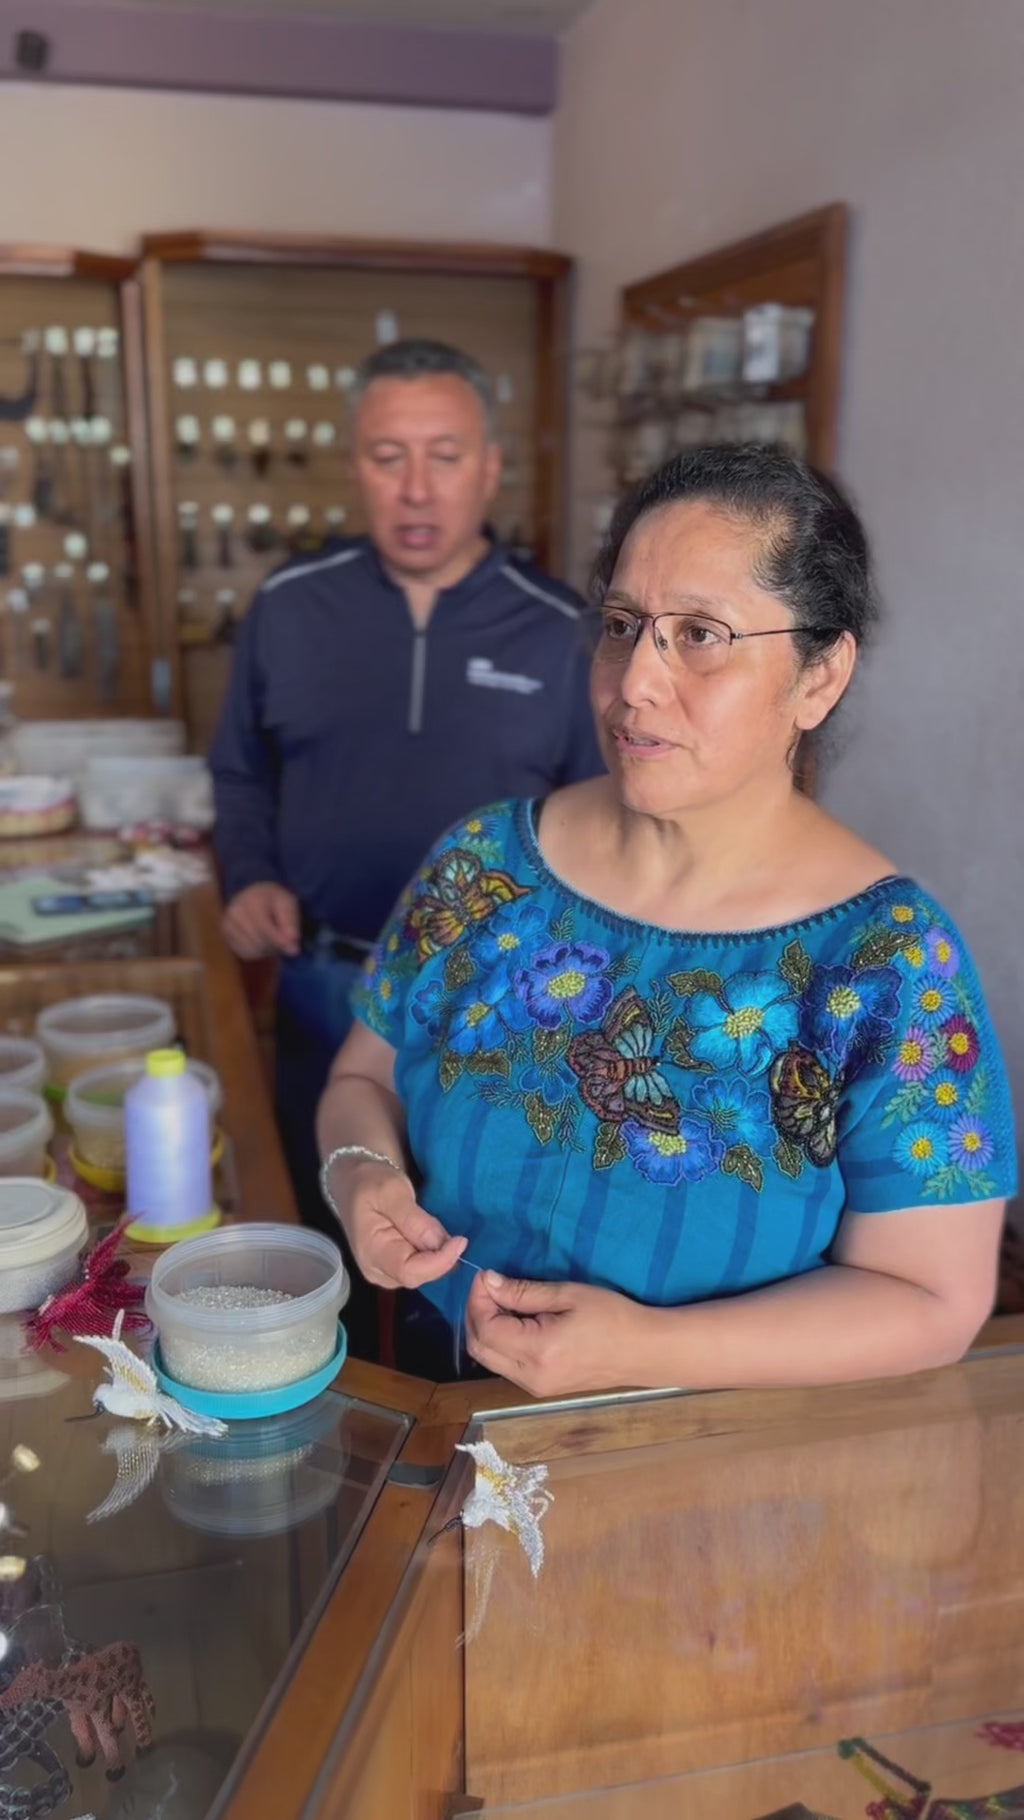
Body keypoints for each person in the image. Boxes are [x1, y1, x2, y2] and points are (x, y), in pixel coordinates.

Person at [316, 442, 1016, 1392]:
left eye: (699, 635)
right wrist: (357, 1175)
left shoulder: (888, 966)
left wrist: (648, 1349)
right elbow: (365, 1076)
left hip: (692, 1473)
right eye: (622, 625)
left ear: (819, 676)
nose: (634, 683)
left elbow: (934, 1299)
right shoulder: (484, 867)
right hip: (437, 1415)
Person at [211, 339, 602, 1358]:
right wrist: (248, 872)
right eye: (388, 455)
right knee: (326, 1224)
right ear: (355, 464)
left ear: (489, 464)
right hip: (323, 978)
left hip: (502, 1014)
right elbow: (239, 768)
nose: (416, 486)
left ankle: (452, 1431)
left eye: (443, 452)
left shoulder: (560, 631)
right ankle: (334, 1413)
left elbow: (603, 819)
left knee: (472, 1252)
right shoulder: (292, 607)